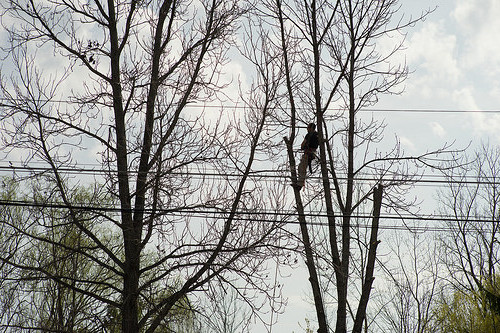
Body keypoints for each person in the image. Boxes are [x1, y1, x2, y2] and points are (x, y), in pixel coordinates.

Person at [297, 123, 318, 189]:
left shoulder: (309, 135)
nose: (307, 129)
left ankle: (300, 184)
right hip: (312, 153)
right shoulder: (318, 135)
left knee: (301, 167)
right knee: (302, 167)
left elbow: (302, 145)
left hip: (308, 153)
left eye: (308, 127)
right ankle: (300, 182)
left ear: (311, 128)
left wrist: (303, 146)